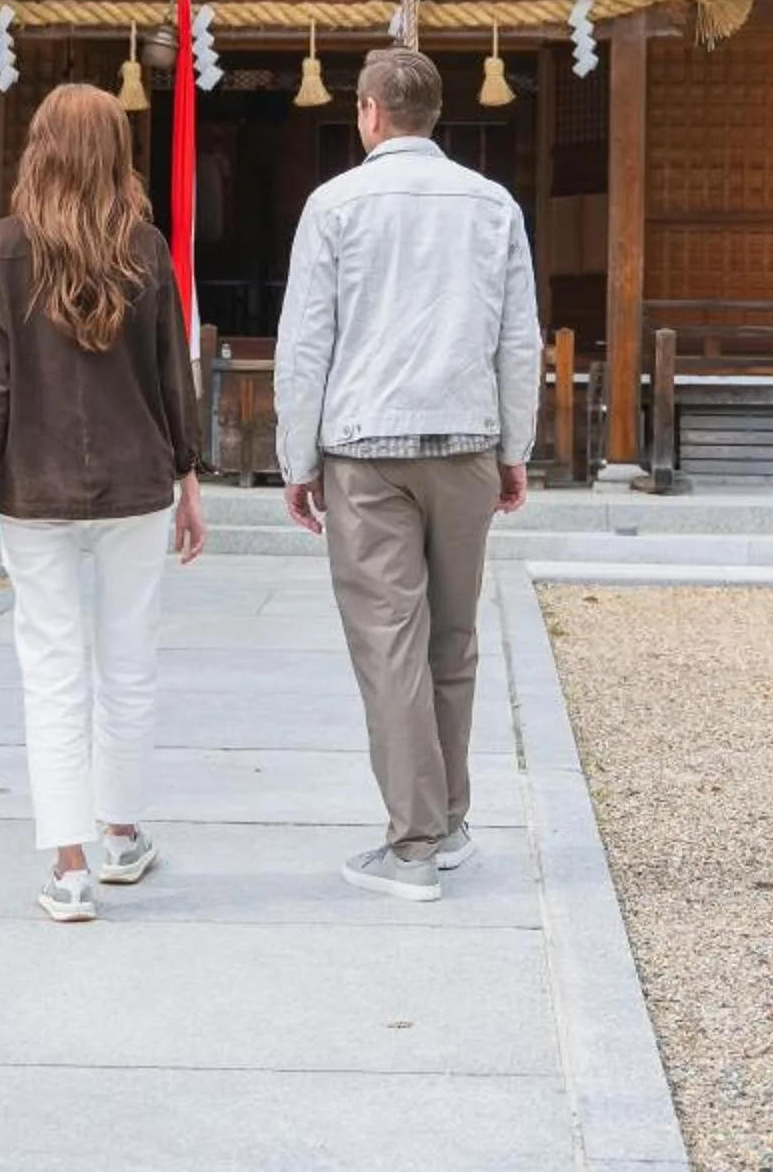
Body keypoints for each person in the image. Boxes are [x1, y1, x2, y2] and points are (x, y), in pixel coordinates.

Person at [275, 47, 540, 903]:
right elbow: (518, 339)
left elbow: (307, 340)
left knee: (391, 642)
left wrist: (296, 457)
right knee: (452, 639)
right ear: (434, 116)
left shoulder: (335, 204)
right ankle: (450, 821)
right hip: (465, 436)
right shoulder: (491, 203)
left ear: (369, 113)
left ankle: (414, 843)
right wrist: (515, 447)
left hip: (367, 446)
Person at [0, 82, 208, 922]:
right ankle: (121, 835)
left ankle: (68, 870)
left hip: (35, 481)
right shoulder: (145, 246)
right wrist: (189, 480)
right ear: (113, 153)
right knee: (129, 663)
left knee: (52, 673)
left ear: (41, 148)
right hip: (138, 481)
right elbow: (175, 372)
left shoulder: (2, 247)